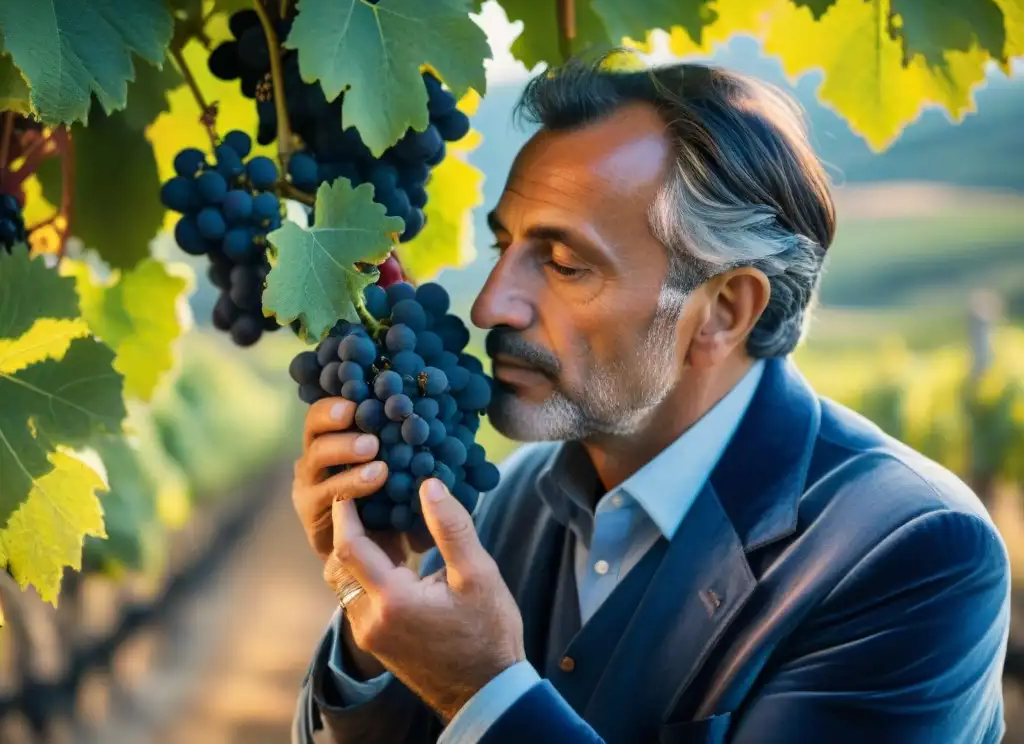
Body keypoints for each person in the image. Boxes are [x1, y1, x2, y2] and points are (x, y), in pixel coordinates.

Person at [289, 57, 1011, 744]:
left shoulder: (915, 556)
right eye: (501, 247)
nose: (488, 307)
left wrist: (484, 690)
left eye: (565, 264)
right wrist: (372, 622)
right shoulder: (501, 507)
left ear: (726, 311)